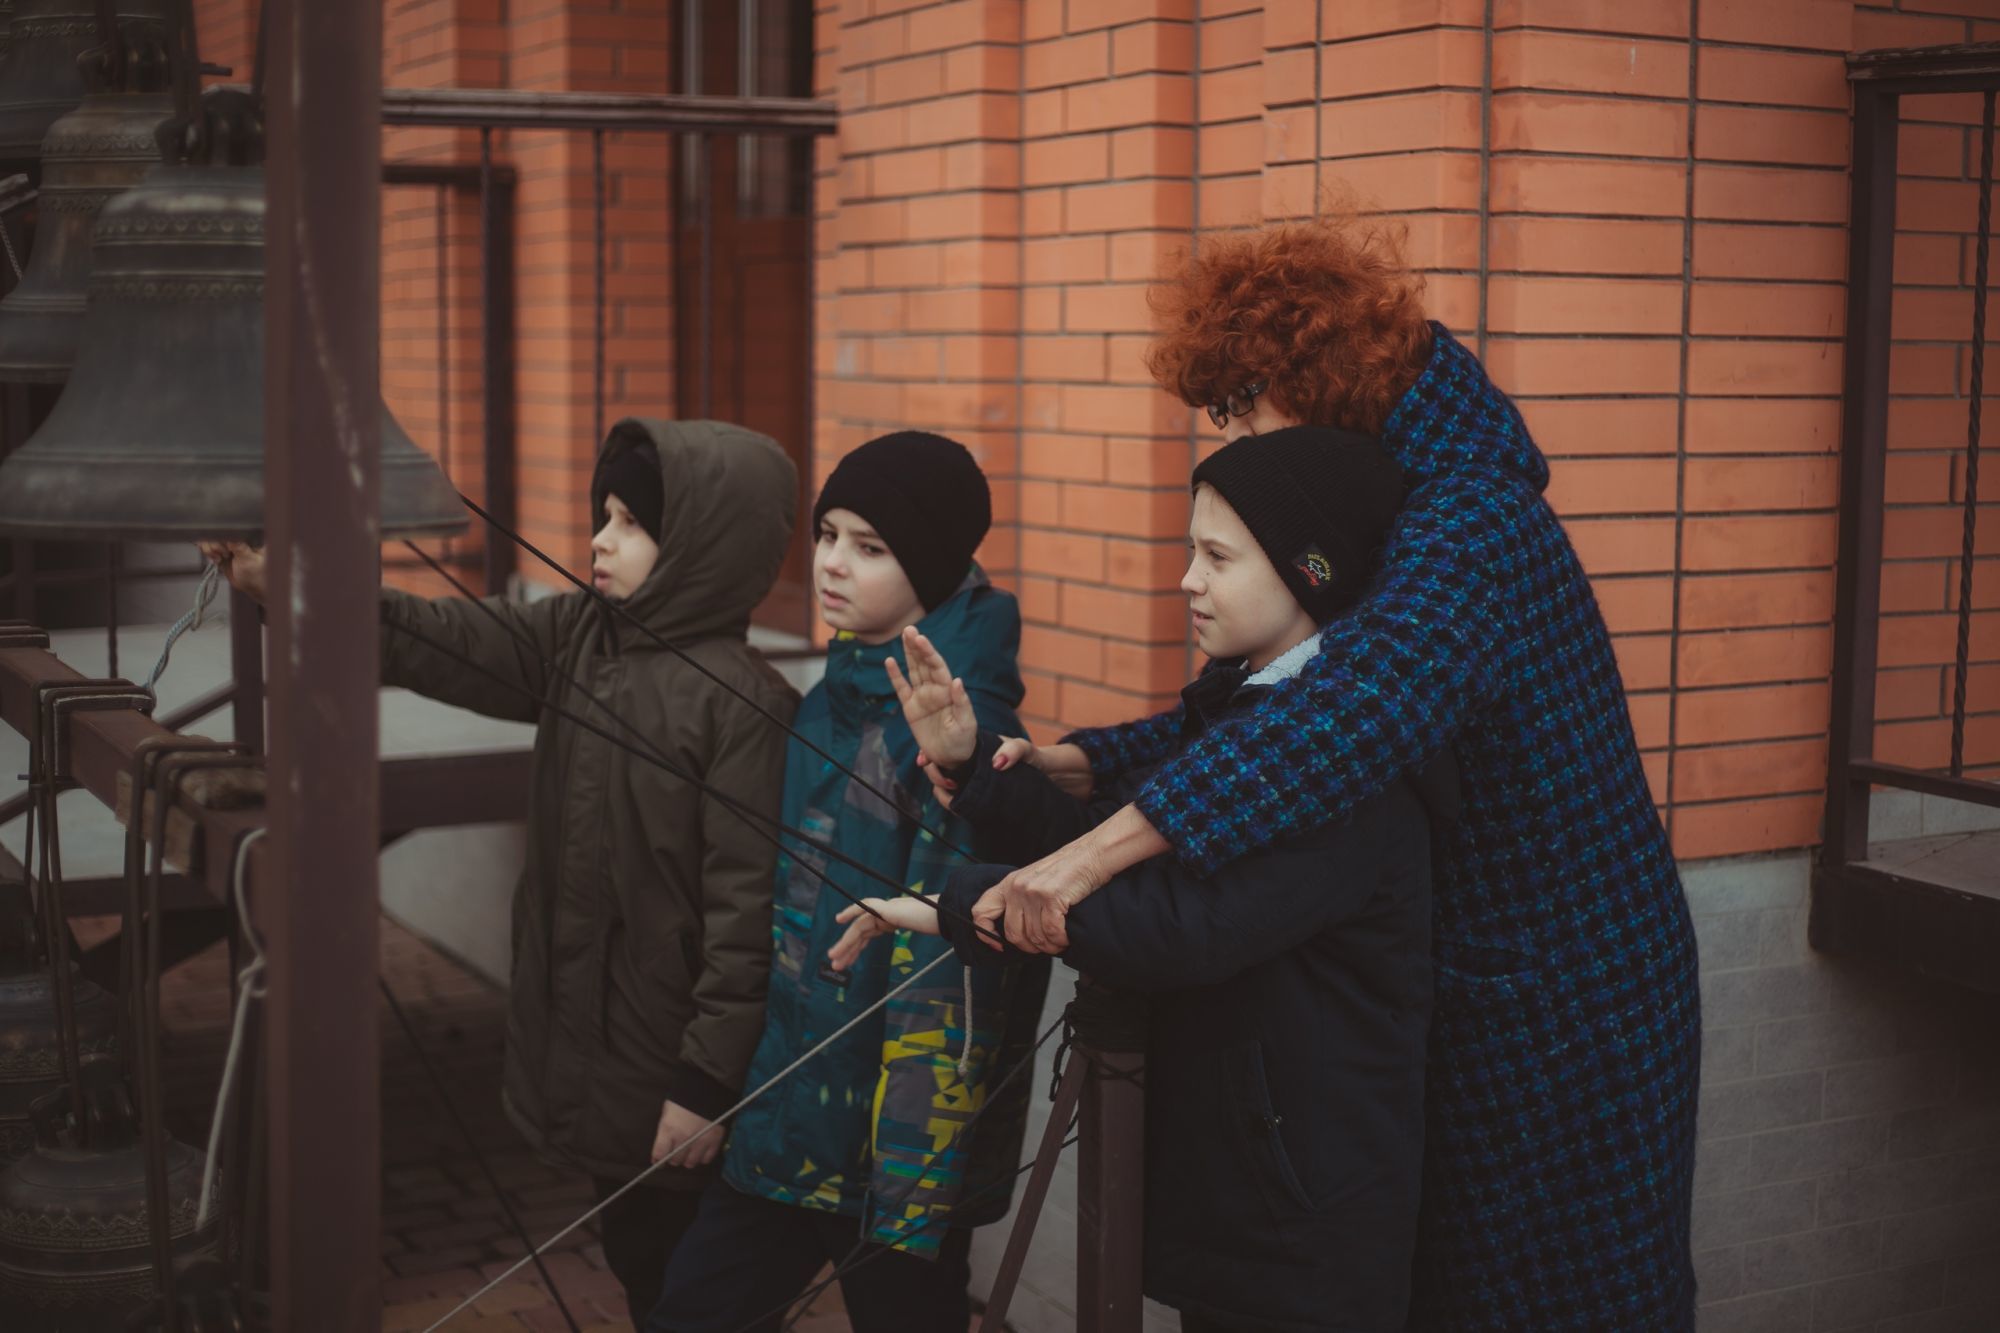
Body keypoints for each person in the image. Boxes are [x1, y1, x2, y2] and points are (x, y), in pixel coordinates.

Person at [962, 216, 1701, 1330]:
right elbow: (1266, 706)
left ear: (1319, 380)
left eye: (1243, 404)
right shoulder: (1392, 502)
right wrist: (1078, 765)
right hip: (1469, 973)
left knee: (1546, 1300)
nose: (1232, 433)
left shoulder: (1470, 520)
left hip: (1565, 992)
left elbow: (1344, 714)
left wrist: (1088, 857)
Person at [833, 424, 1453, 1333]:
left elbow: (1176, 925)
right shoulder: (1241, 709)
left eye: (1218, 558)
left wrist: (950, 904)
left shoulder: (1337, 762)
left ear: (1308, 573)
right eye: (1191, 551)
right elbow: (1106, 841)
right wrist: (973, 767)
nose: (1188, 580)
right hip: (1254, 1182)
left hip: (1307, 1213)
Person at [204, 419, 800, 1325]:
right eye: (603, 514)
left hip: (673, 1065)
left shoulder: (744, 706)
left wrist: (706, 1087)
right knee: (642, 1260)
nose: (599, 540)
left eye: (631, 523)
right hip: (603, 1049)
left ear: (702, 544)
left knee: (694, 1282)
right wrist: (289, 587)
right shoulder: (580, 637)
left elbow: (746, 920)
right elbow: (439, 636)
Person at [647, 431, 1050, 1333]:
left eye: (870, 547)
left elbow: (950, 986)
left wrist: (910, 1188)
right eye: (828, 534)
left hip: (891, 1161)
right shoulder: (830, 699)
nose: (831, 563)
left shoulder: (960, 733)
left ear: (931, 567)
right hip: (787, 1121)